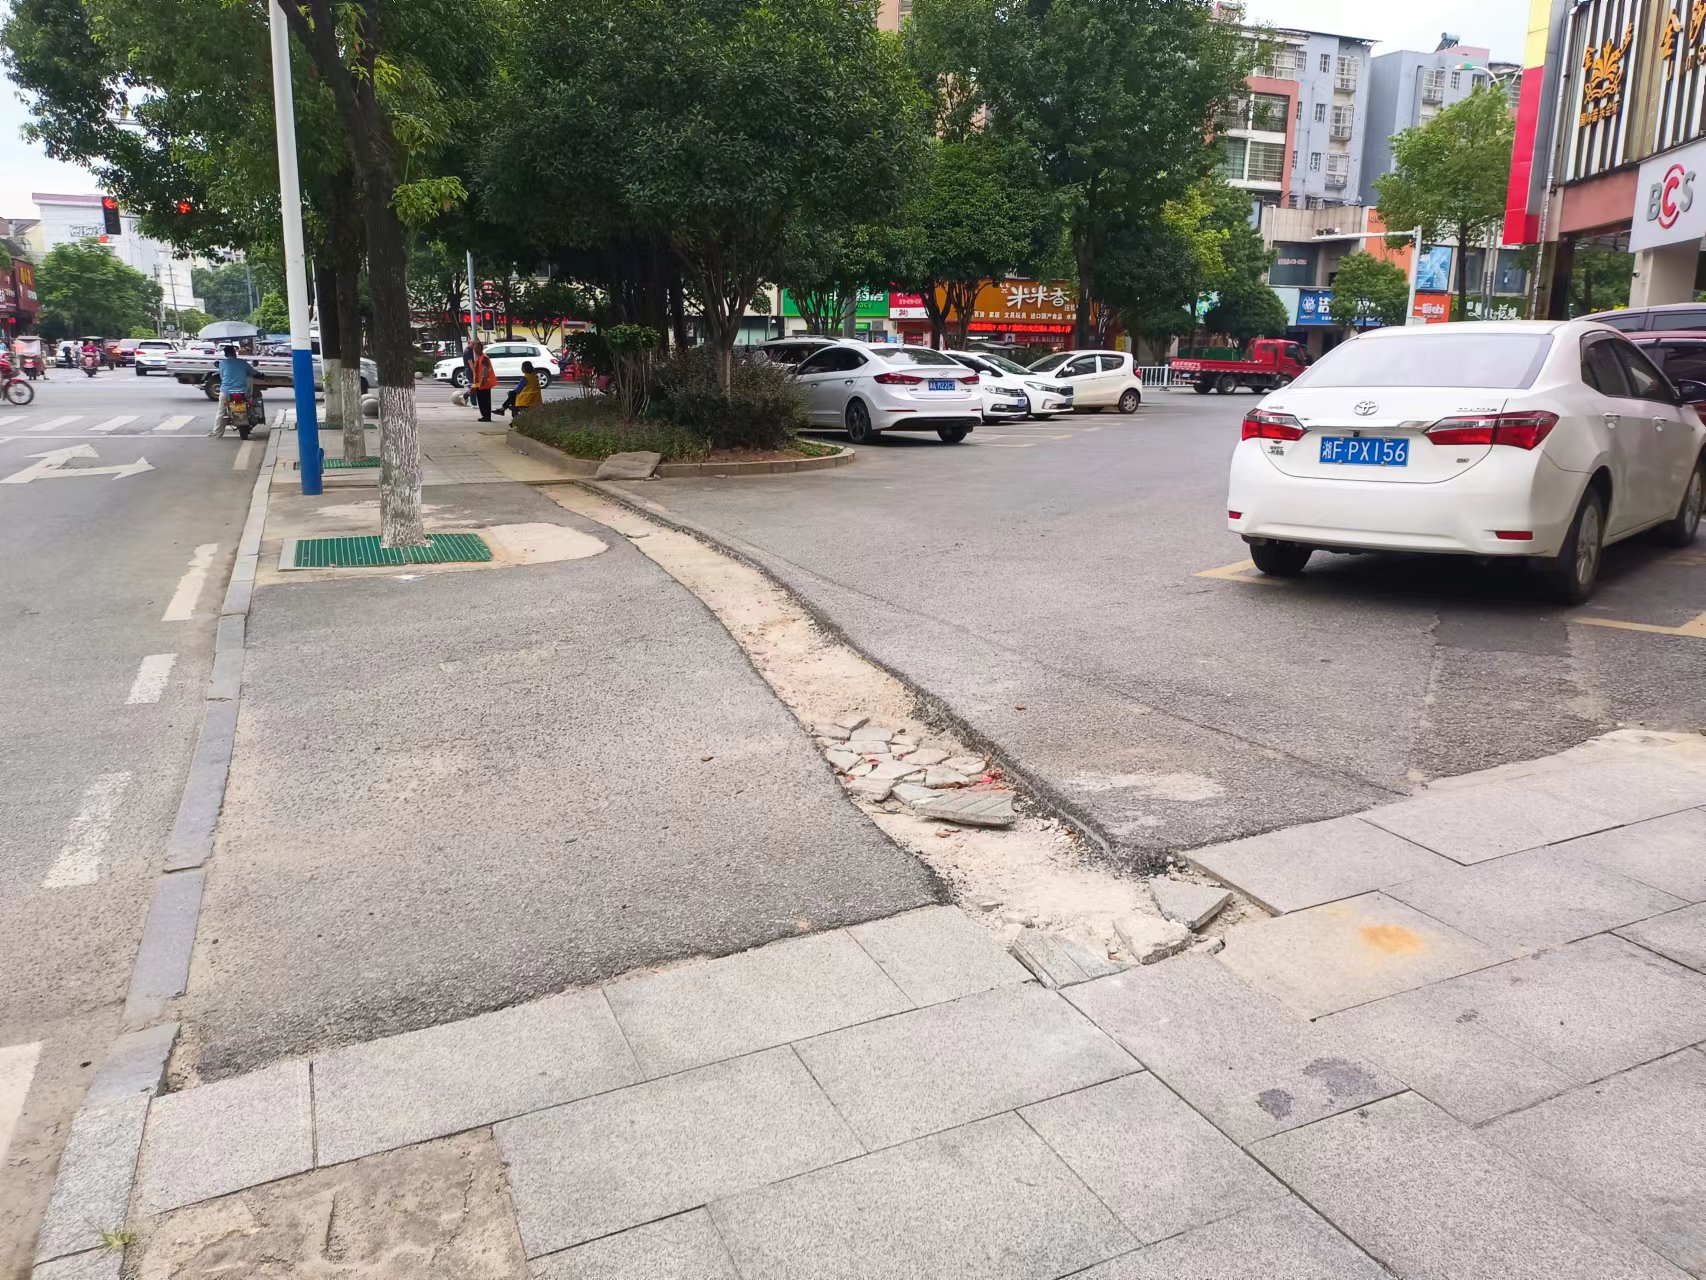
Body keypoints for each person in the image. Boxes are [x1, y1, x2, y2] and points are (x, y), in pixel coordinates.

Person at [210, 343, 259, 437]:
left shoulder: (222, 364)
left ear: (225, 354)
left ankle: (217, 433)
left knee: (221, 412)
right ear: (235, 353)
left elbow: (222, 377)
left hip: (226, 392)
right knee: (250, 405)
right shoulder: (243, 363)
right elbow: (253, 372)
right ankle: (251, 419)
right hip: (241, 392)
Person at [467, 341, 497, 421]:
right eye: (474, 348)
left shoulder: (484, 358)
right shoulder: (479, 358)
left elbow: (484, 368)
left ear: (481, 348)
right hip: (479, 383)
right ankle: (485, 416)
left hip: (484, 383)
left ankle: (486, 416)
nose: (475, 350)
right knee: (481, 400)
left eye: (477, 348)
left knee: (485, 401)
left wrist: (483, 379)